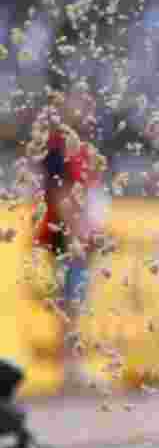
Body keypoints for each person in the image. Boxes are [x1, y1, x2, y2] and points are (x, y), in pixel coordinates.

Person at [29, 87, 106, 393]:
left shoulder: (81, 147)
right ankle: (70, 369)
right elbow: (59, 193)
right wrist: (75, 232)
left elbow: (86, 191)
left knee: (76, 299)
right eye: (79, 105)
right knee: (70, 301)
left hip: (78, 233)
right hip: (65, 235)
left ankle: (72, 367)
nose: (86, 112)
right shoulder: (59, 147)